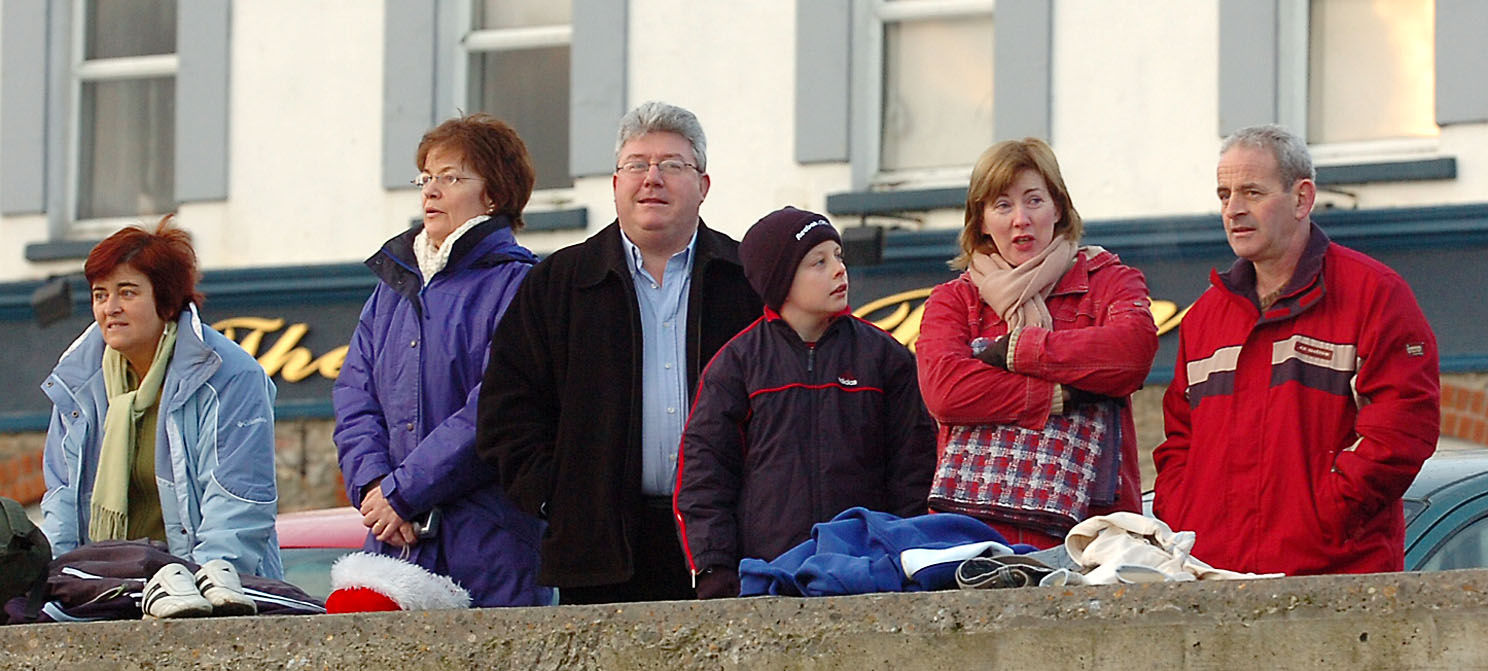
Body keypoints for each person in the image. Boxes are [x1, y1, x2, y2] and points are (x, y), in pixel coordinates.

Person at [475, 101, 761, 604]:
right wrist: (557, 499)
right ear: (614, 184)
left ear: (703, 186)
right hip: (598, 554)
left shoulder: (748, 281)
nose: (652, 178)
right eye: (636, 164)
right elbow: (507, 410)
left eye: (671, 164)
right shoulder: (558, 284)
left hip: (731, 545)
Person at [1152, 125, 1440, 575]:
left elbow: (1401, 429)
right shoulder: (1205, 317)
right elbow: (1179, 441)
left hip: (1333, 580)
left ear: (1302, 198)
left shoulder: (1373, 295)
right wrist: (1187, 516)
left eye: (1252, 192)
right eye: (1224, 194)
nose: (1234, 209)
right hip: (1213, 580)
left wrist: (1328, 515)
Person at [333, 114, 548, 607]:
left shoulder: (520, 285)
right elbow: (354, 396)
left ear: (494, 195)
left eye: (450, 177)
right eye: (426, 177)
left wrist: (403, 493)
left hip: (490, 546)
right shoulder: (390, 289)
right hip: (395, 544)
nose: (430, 190)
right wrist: (375, 488)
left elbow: (494, 407)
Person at [673, 207, 936, 599]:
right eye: (819, 262)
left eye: (839, 256)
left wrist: (904, 558)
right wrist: (714, 569)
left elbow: (915, 471)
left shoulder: (885, 357)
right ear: (781, 279)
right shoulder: (736, 365)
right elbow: (703, 477)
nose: (839, 270)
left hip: (868, 578)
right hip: (767, 580)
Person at [916, 138, 1158, 548]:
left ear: (1058, 207)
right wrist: (1059, 395)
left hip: (1092, 538)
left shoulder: (1108, 280)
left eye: (1034, 200)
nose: (1021, 220)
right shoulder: (954, 299)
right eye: (1003, 205)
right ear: (981, 220)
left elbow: (1131, 354)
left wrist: (1015, 352)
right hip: (975, 538)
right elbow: (945, 390)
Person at [40, 218, 282, 578]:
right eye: (100, 295)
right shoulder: (76, 381)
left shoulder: (229, 375)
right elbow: (62, 500)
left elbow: (238, 507)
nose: (110, 308)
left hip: (202, 588)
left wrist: (200, 588)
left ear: (166, 301)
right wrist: (56, 583)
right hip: (104, 591)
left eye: (127, 292)